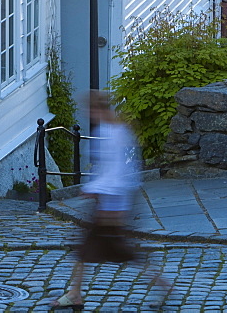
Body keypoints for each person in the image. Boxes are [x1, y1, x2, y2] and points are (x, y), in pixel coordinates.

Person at [49, 92, 172, 310]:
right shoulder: (111, 130)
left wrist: (95, 191)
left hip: (113, 201)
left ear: (100, 110)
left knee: (113, 250)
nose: (90, 114)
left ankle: (75, 294)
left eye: (91, 110)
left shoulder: (114, 134)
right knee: (94, 248)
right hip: (109, 199)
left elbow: (117, 171)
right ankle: (75, 292)